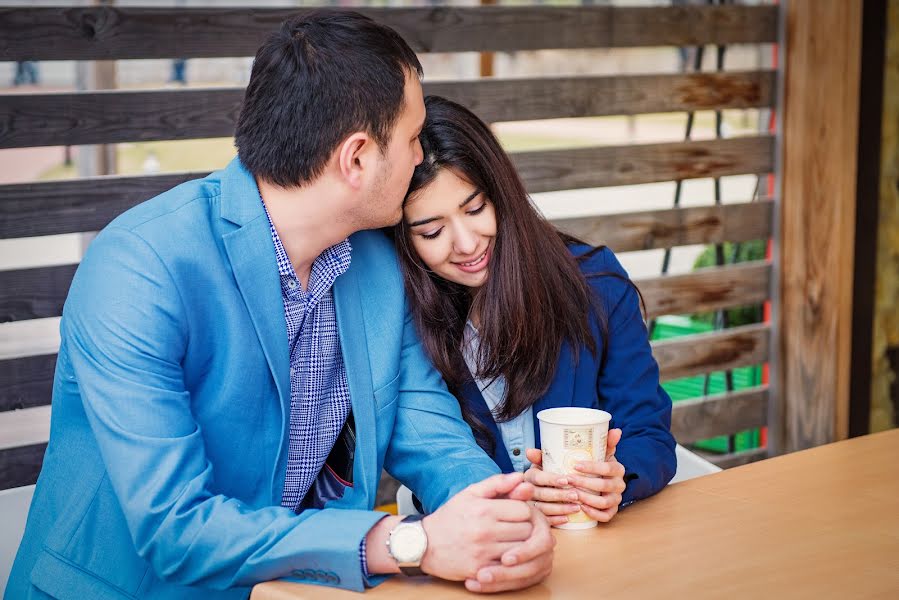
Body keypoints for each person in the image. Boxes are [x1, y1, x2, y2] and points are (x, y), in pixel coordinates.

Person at [6, 13, 554, 600]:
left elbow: (430, 432)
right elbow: (175, 529)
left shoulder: (374, 264)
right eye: (413, 137)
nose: (422, 158)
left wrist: (504, 518)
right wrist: (408, 543)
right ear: (358, 158)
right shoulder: (141, 267)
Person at [392, 96, 677, 527]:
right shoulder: (406, 317)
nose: (466, 244)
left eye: (475, 209)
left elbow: (650, 434)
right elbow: (430, 469)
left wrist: (618, 477)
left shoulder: (594, 284)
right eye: (432, 231)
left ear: (502, 193)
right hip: (483, 551)